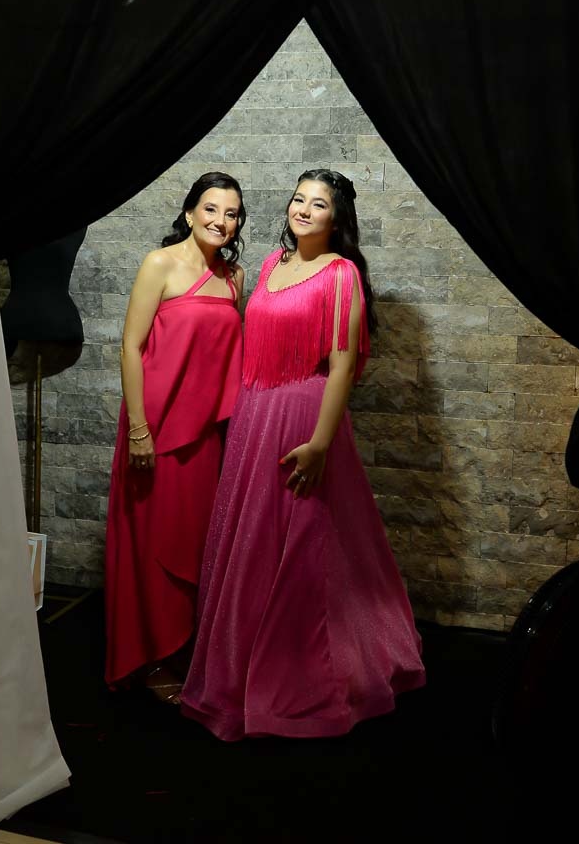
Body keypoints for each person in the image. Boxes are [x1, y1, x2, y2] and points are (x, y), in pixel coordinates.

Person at [181, 168, 425, 740]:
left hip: (303, 419)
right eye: (298, 199)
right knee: (253, 540)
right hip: (254, 416)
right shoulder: (271, 264)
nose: (303, 210)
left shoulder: (341, 274)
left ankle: (302, 673)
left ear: (336, 218)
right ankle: (240, 666)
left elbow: (343, 365)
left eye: (318, 204)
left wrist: (320, 442)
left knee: (305, 544)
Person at [104, 172, 245, 703]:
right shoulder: (158, 264)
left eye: (232, 213)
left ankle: (186, 649)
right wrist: (139, 430)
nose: (220, 221)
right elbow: (130, 347)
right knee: (149, 542)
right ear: (189, 213)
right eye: (211, 208)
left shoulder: (235, 277)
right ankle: (149, 659)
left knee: (193, 542)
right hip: (155, 429)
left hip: (204, 435)